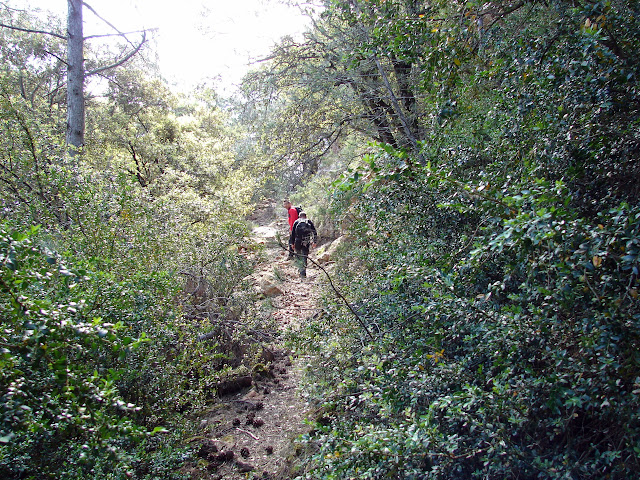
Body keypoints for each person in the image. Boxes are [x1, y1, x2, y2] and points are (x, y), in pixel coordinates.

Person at [289, 211, 318, 278]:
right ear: (306, 216)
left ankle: (300, 270)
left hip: (297, 241)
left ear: (299, 216)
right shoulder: (309, 221)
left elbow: (292, 234)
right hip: (306, 241)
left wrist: (292, 243)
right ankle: (303, 273)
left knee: (298, 255)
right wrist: (314, 241)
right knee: (305, 256)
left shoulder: (296, 222)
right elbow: (314, 232)